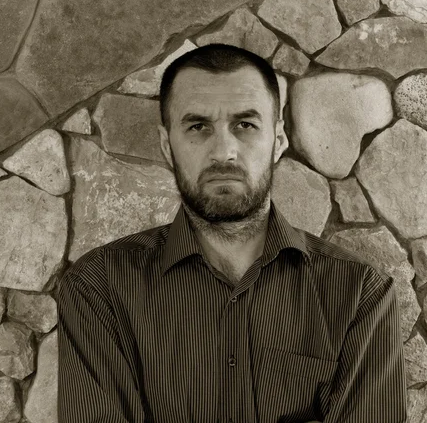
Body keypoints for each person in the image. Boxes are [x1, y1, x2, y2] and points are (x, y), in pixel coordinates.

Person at [57, 43, 407, 423]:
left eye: (245, 125)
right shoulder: (100, 287)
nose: (224, 151)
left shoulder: (358, 293)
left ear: (278, 140)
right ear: (165, 144)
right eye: (197, 127)